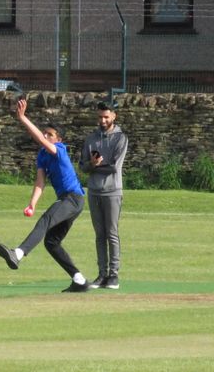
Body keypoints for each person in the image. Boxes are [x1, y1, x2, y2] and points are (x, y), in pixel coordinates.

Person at [0, 99, 89, 292]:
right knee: (51, 242)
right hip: (68, 200)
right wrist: (32, 204)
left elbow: (40, 140)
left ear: (59, 139)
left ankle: (19, 253)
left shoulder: (60, 150)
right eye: (45, 133)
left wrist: (23, 118)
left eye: (50, 135)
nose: (46, 136)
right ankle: (79, 280)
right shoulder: (42, 156)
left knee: (47, 219)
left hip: (73, 198)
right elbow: (40, 182)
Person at [79, 101, 128, 290]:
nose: (103, 120)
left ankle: (114, 275)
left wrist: (95, 166)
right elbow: (83, 166)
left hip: (113, 191)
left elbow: (114, 167)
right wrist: (92, 164)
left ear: (113, 116)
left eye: (106, 117)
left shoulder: (120, 138)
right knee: (100, 235)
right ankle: (102, 274)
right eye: (100, 117)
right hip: (94, 191)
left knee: (112, 233)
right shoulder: (91, 139)